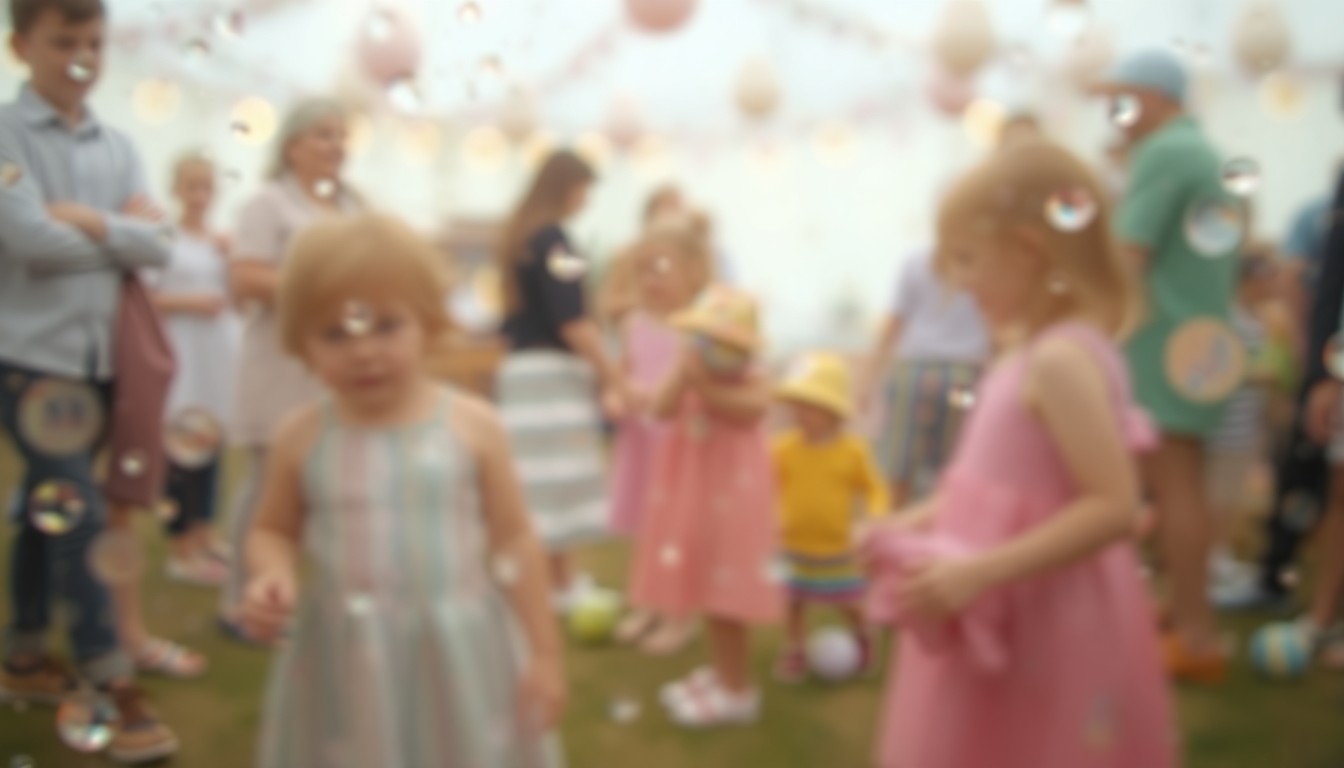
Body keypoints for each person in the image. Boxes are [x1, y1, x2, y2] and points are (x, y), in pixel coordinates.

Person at [864, 139, 1174, 768]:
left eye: (969, 259)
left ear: (1030, 250)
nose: (961, 282)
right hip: (1004, 609)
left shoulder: (1062, 360)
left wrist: (977, 572)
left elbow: (1115, 507)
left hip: (1043, 619)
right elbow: (977, 491)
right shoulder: (1023, 354)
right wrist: (900, 524)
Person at [241, 213, 565, 767]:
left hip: (459, 647)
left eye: (386, 325)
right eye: (335, 333)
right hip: (345, 656)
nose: (363, 352)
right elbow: (272, 528)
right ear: (301, 343)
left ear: (430, 321)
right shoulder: (302, 435)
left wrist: (544, 652)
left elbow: (515, 542)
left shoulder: (473, 425)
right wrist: (272, 572)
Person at [0, 0, 179, 761]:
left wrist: (95, 223)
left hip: (100, 363)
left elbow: (164, 246)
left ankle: (25, 652)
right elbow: (29, 242)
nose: (82, 55)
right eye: (63, 40)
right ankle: (110, 677)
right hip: (31, 361)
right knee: (77, 517)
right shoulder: (6, 135)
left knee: (51, 506)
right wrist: (123, 235)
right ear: (20, 45)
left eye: (94, 41)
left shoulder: (121, 146)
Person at [1096, 48, 1239, 682]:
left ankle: (1196, 638)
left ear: (1159, 97)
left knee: (1172, 487)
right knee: (1183, 486)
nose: (1116, 115)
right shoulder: (1199, 150)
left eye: (1124, 99)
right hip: (1200, 343)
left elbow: (1127, 255)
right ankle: (1183, 614)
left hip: (1163, 342)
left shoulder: (1166, 153)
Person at [220, 97, 364, 642]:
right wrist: (319, 293)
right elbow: (245, 277)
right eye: (324, 134)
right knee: (265, 486)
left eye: (342, 135)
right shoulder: (267, 203)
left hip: (333, 370)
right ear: (292, 145)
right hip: (279, 365)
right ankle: (239, 603)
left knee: (332, 486)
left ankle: (301, 598)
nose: (336, 146)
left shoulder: (352, 206)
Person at [630, 285, 783, 727]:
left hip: (735, 501)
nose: (713, 351)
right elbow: (658, 410)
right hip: (695, 497)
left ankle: (737, 691)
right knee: (706, 587)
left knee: (727, 595)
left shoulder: (752, 376)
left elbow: (752, 411)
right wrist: (683, 376)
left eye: (726, 343)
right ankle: (720, 676)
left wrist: (706, 387)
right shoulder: (690, 371)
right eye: (704, 338)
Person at [495, 150, 621, 612]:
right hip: (551, 377)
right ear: (567, 186)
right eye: (584, 188)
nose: (586, 199)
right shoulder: (555, 240)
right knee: (556, 483)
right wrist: (613, 377)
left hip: (523, 371)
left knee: (539, 484)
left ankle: (557, 580)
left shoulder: (521, 237)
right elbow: (574, 321)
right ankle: (557, 584)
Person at [609, 224, 713, 653]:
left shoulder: (701, 328)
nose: (650, 280)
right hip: (641, 441)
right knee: (647, 529)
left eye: (661, 268)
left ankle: (679, 615)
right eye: (643, 271)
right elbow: (624, 373)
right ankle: (649, 604)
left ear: (693, 271)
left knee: (677, 530)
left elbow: (701, 386)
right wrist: (615, 397)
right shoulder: (633, 324)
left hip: (680, 444)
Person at [771, 352, 887, 682]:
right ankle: (795, 648)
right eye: (797, 404)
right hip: (792, 545)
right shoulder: (783, 448)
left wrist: (874, 518)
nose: (800, 413)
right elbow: (767, 487)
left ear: (834, 411)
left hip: (837, 549)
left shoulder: (853, 451)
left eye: (810, 406)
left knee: (849, 602)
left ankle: (864, 637)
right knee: (792, 602)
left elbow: (875, 489)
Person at [151, 152, 237, 593]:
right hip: (181, 350)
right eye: (192, 186)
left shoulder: (220, 242)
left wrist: (232, 258)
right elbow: (146, 298)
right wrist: (191, 303)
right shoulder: (163, 238)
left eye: (207, 187)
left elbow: (237, 298)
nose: (200, 196)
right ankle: (180, 546)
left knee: (211, 442)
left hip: (216, 354)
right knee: (181, 449)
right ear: (177, 189)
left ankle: (205, 533)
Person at [859, 246, 988, 508]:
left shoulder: (915, 262)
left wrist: (869, 379)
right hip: (963, 376)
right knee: (956, 462)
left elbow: (895, 321)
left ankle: (892, 527)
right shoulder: (986, 261)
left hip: (914, 375)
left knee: (899, 463)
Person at [1205, 248, 1297, 602]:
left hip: (1245, 425)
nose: (1272, 283)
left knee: (1229, 497)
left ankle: (1221, 557)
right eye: (1267, 276)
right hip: (1222, 427)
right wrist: (1256, 375)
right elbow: (1214, 368)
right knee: (1217, 498)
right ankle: (1211, 564)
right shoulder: (1228, 317)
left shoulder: (1263, 320)